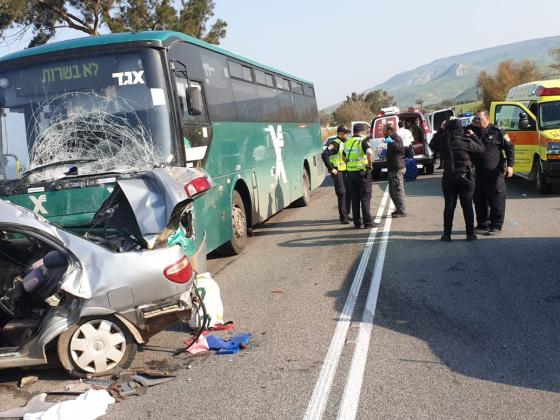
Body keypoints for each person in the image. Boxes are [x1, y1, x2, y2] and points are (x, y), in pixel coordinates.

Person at [430, 119, 486, 241]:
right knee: (467, 205)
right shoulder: (466, 141)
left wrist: (441, 130)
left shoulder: (444, 142)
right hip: (466, 176)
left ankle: (447, 234)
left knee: (449, 206)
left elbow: (431, 145)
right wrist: (474, 135)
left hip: (449, 177)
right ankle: (470, 234)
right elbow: (481, 149)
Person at [471, 109, 515, 235]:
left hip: (494, 173)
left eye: (479, 118)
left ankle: (496, 225)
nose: (477, 121)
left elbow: (510, 148)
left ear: (487, 118)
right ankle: (483, 224)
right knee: (479, 200)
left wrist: (510, 166)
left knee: (496, 199)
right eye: (476, 119)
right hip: (477, 173)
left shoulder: (497, 131)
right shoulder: (472, 131)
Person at [344, 123, 375, 229]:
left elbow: (343, 157)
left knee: (355, 198)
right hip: (362, 172)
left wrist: (350, 163)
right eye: (365, 131)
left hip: (351, 173)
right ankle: (368, 222)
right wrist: (370, 165)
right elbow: (370, 153)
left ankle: (357, 223)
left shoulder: (347, 142)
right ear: (362, 131)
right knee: (365, 198)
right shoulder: (362, 141)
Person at [322, 125, 352, 224]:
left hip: (346, 171)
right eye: (346, 133)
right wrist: (331, 169)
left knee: (348, 193)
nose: (347, 134)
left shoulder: (345, 142)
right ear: (340, 133)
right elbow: (325, 155)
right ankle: (343, 217)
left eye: (348, 132)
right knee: (342, 193)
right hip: (338, 171)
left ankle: (346, 214)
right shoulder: (334, 144)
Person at [384, 123, 407, 217]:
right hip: (391, 168)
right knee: (392, 191)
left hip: (397, 168)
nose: (383, 132)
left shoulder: (396, 138)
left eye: (384, 130)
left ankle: (402, 211)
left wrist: (391, 142)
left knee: (398, 190)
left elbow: (401, 149)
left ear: (390, 130)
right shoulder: (390, 138)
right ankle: (398, 209)